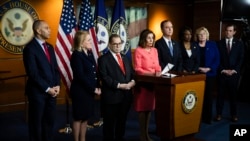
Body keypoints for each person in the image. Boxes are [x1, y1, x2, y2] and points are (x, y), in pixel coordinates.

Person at [23, 20, 61, 141]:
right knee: (36, 123)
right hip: (37, 93)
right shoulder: (29, 48)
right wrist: (47, 88)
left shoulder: (49, 47)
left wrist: (57, 85)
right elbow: (33, 73)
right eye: (46, 28)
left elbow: (55, 68)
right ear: (38, 31)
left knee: (49, 121)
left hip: (53, 92)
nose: (49, 30)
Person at [98, 34, 136, 141]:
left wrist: (133, 82)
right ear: (109, 45)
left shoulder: (125, 57)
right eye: (115, 44)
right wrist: (120, 85)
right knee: (109, 126)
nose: (118, 46)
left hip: (125, 98)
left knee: (122, 122)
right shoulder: (103, 59)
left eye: (120, 43)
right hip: (111, 98)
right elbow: (105, 78)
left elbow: (132, 73)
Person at [70, 31, 101, 141]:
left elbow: (94, 72)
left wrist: (97, 86)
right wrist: (93, 89)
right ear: (81, 43)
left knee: (85, 117)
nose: (91, 42)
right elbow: (80, 76)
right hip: (80, 91)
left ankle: (83, 139)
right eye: (88, 40)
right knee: (78, 117)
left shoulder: (89, 53)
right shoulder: (76, 56)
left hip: (89, 91)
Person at [133, 29, 161, 141]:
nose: (151, 40)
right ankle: (142, 135)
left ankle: (146, 134)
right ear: (143, 38)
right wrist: (152, 73)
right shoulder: (139, 51)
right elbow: (138, 69)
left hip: (153, 84)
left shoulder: (154, 50)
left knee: (149, 109)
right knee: (142, 109)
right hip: (143, 84)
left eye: (152, 38)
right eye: (149, 38)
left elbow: (158, 65)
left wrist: (159, 71)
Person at [215, 24, 244, 122]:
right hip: (222, 74)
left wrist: (234, 70)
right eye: (227, 30)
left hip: (234, 75)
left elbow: (241, 59)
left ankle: (234, 115)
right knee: (220, 96)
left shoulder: (239, 44)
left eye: (230, 31)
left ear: (234, 32)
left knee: (233, 96)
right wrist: (223, 70)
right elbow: (216, 59)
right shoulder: (219, 43)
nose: (228, 32)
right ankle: (218, 114)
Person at [194, 26, 220, 124]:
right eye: (200, 34)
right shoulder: (194, 45)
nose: (202, 36)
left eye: (204, 34)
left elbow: (217, 59)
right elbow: (191, 60)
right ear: (197, 36)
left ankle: (207, 117)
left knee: (208, 96)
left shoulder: (212, 45)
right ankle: (197, 118)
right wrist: (198, 68)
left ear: (207, 35)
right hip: (197, 74)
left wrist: (209, 68)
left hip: (210, 74)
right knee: (197, 96)